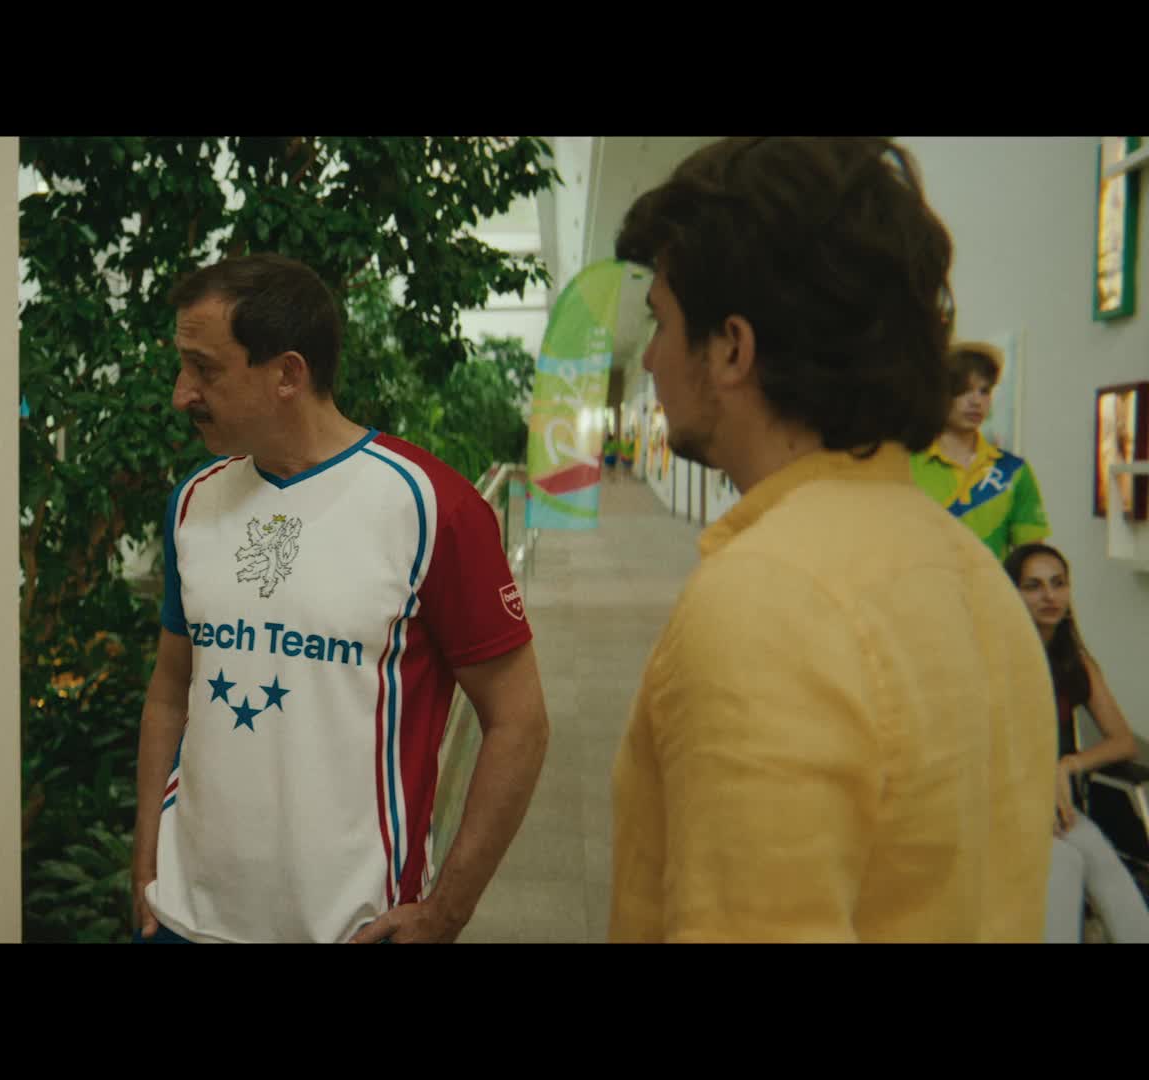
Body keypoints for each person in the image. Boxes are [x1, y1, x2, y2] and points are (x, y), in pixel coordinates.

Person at [607, 137, 1056, 942]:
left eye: (662, 321)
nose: (652, 357)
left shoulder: (765, 602)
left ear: (732, 348)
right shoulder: (979, 580)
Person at [132, 253, 550, 944]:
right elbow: (171, 690)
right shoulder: (194, 502)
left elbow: (519, 722)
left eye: (204, 369)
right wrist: (147, 861)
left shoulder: (432, 507)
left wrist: (447, 911)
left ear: (287, 374)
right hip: (184, 918)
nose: (182, 394)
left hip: (353, 928)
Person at [1003, 542, 1149, 944]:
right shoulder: (998, 662)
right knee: (1064, 862)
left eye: (1058, 583)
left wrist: (1067, 765)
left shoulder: (1074, 661)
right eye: (1033, 586)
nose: (1049, 596)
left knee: (1101, 859)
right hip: (1002, 809)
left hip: (1056, 806)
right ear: (1011, 594)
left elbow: (1123, 741)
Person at [910, 342, 1049, 558]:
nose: (976, 401)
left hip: (992, 580)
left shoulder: (1013, 471)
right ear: (939, 395)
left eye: (984, 391)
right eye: (963, 390)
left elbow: (1030, 559)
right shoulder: (907, 465)